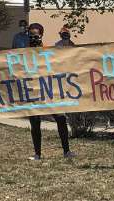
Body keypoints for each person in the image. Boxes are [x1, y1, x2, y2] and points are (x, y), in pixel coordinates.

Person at [16, 24, 74, 160]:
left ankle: (66, 151)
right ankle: (37, 154)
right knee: (35, 122)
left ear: (41, 35)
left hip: (50, 90)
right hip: (33, 92)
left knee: (60, 118)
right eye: (31, 36)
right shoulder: (23, 53)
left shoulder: (50, 51)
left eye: (36, 36)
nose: (33, 38)